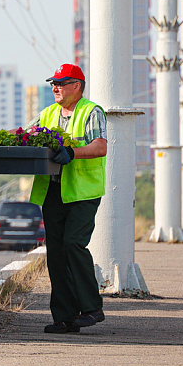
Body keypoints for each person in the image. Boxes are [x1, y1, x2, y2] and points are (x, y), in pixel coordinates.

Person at [25, 63, 107, 334]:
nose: (55, 87)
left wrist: (71, 153)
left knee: (73, 244)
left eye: (61, 83)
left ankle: (92, 308)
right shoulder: (47, 113)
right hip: (53, 192)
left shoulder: (91, 111)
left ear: (77, 86)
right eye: (53, 83)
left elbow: (100, 147)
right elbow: (26, 136)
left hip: (83, 192)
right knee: (56, 254)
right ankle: (64, 317)